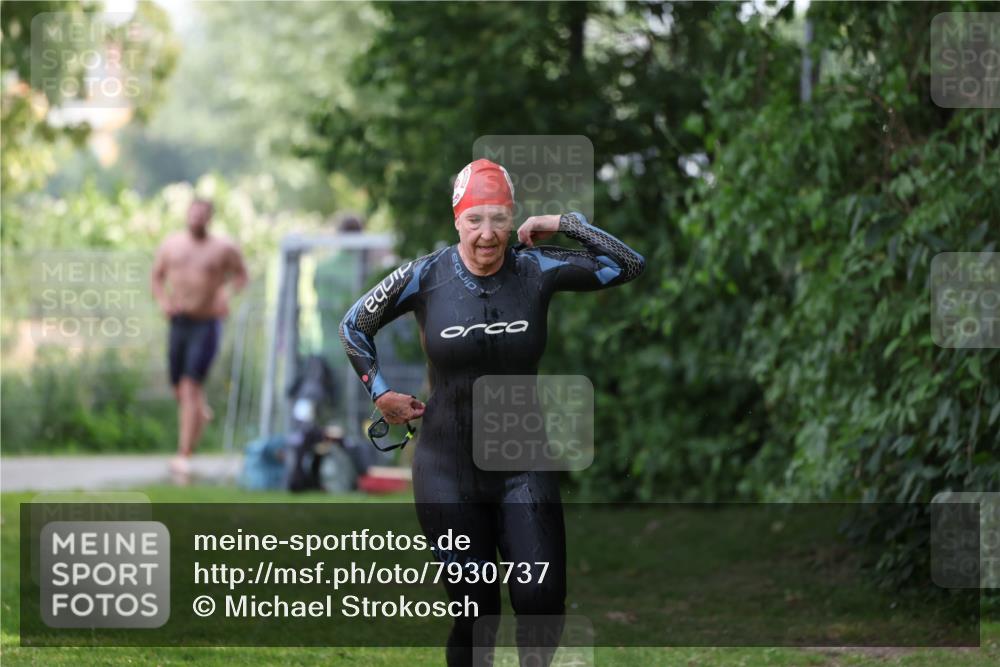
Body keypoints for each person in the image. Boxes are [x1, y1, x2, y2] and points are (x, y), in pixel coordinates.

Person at [339, 159, 644, 666]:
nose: (487, 234)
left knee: (541, 601)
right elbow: (354, 326)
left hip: (523, 462)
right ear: (457, 220)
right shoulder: (424, 275)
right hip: (446, 469)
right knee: (475, 611)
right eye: (475, 219)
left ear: (512, 218)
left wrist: (565, 224)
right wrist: (380, 392)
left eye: (499, 218)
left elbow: (628, 265)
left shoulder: (535, 267)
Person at [151, 198, 248, 476]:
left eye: (203, 214)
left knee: (191, 385)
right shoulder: (171, 245)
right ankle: (199, 413)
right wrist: (163, 302)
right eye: (193, 212)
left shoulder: (223, 248)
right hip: (179, 322)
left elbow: (241, 275)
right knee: (178, 388)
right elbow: (156, 277)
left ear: (210, 218)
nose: (197, 217)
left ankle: (184, 454)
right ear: (186, 213)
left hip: (207, 324)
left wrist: (226, 294)